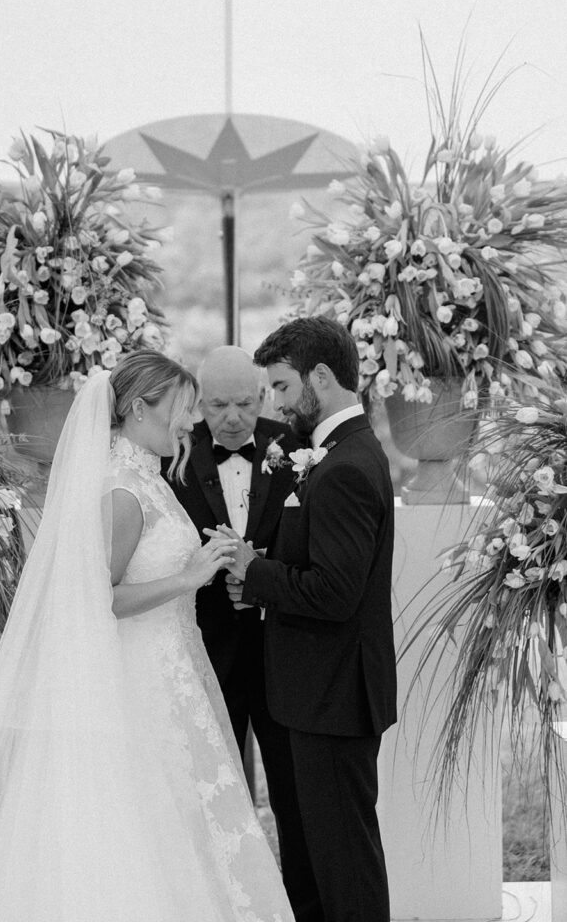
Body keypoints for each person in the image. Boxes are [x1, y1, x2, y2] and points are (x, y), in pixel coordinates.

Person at [0, 351, 295, 922]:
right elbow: (100, 598)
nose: (191, 423)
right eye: (183, 409)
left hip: (173, 667)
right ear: (139, 409)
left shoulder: (150, 479)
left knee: (184, 826)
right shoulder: (123, 492)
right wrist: (190, 575)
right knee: (146, 826)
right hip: (140, 682)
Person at [214, 318, 397, 922]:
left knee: (346, 866)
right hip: (320, 694)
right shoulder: (339, 453)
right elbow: (326, 564)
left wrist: (255, 570)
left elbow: (336, 592)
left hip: (334, 697)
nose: (279, 403)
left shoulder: (344, 466)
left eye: (284, 387)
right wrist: (267, 562)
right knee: (324, 859)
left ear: (321, 376)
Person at [164, 345, 319, 921]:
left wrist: (262, 575)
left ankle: (302, 908)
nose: (232, 418)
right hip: (206, 649)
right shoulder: (172, 453)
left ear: (262, 398)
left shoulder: (297, 447)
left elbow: (312, 542)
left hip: (284, 649)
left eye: (246, 404)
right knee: (213, 789)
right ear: (198, 402)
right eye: (218, 405)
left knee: (294, 794)